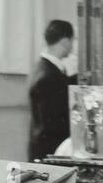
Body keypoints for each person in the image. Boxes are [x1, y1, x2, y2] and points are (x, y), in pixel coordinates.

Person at [28, 20, 76, 161]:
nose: (72, 45)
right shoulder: (49, 76)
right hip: (50, 151)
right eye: (72, 40)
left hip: (44, 147)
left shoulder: (44, 68)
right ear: (66, 41)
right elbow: (55, 119)